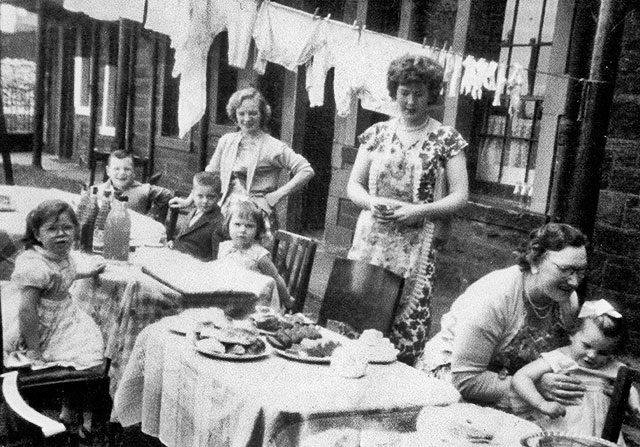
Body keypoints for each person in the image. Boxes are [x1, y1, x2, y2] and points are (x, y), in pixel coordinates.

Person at [346, 54, 469, 365]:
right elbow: (353, 187)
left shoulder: (446, 139)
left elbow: (460, 196)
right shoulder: (375, 134)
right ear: (393, 91)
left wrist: (418, 211)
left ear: (431, 95)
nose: (411, 101)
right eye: (404, 92)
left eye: (419, 93)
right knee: (359, 317)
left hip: (416, 245)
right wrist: (371, 202)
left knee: (402, 325)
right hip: (371, 240)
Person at [417, 223, 589, 411]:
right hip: (451, 385)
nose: (574, 281)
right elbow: (465, 380)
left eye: (580, 271)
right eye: (565, 270)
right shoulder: (494, 298)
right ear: (534, 262)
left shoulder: (567, 299)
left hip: (513, 386)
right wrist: (533, 386)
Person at [3, 200, 105, 439]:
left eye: (67, 228)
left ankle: (71, 409)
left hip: (65, 315)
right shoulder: (34, 265)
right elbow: (27, 310)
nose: (61, 235)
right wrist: (34, 348)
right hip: (39, 323)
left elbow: (63, 273)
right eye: (52, 229)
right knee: (77, 356)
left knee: (92, 347)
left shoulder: (63, 256)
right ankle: (37, 413)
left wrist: (88, 272)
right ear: (37, 234)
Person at [169, 87, 314, 246]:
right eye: (241, 113)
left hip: (255, 217)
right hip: (226, 213)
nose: (247, 119)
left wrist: (277, 195)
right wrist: (189, 200)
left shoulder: (273, 146)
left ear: (262, 115)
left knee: (252, 261)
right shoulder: (226, 140)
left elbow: (306, 170)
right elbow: (209, 175)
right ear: (234, 115)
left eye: (253, 113)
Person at [512, 299, 639, 444]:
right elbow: (521, 377)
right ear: (572, 334)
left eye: (603, 352)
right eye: (586, 345)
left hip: (600, 433)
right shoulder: (560, 357)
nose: (592, 355)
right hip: (563, 427)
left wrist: (636, 407)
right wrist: (542, 404)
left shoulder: (612, 366)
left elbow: (629, 388)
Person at [217, 200, 292, 310]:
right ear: (228, 225)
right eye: (237, 224)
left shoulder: (258, 254)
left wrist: (287, 299)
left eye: (249, 226)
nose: (242, 230)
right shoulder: (225, 247)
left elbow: (275, 277)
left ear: (258, 230)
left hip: (254, 303)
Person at [97, 150, 173, 222]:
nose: (122, 173)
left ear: (134, 172)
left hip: (134, 232)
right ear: (108, 171)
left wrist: (153, 216)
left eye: (127, 169)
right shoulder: (98, 191)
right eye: (116, 169)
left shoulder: (143, 190)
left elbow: (166, 194)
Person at [168, 171, 226, 261]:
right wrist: (175, 244)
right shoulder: (195, 211)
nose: (205, 201)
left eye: (211, 197)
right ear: (193, 195)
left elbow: (216, 256)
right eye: (200, 196)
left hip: (195, 266)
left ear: (219, 197)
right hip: (177, 257)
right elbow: (185, 236)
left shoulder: (219, 222)